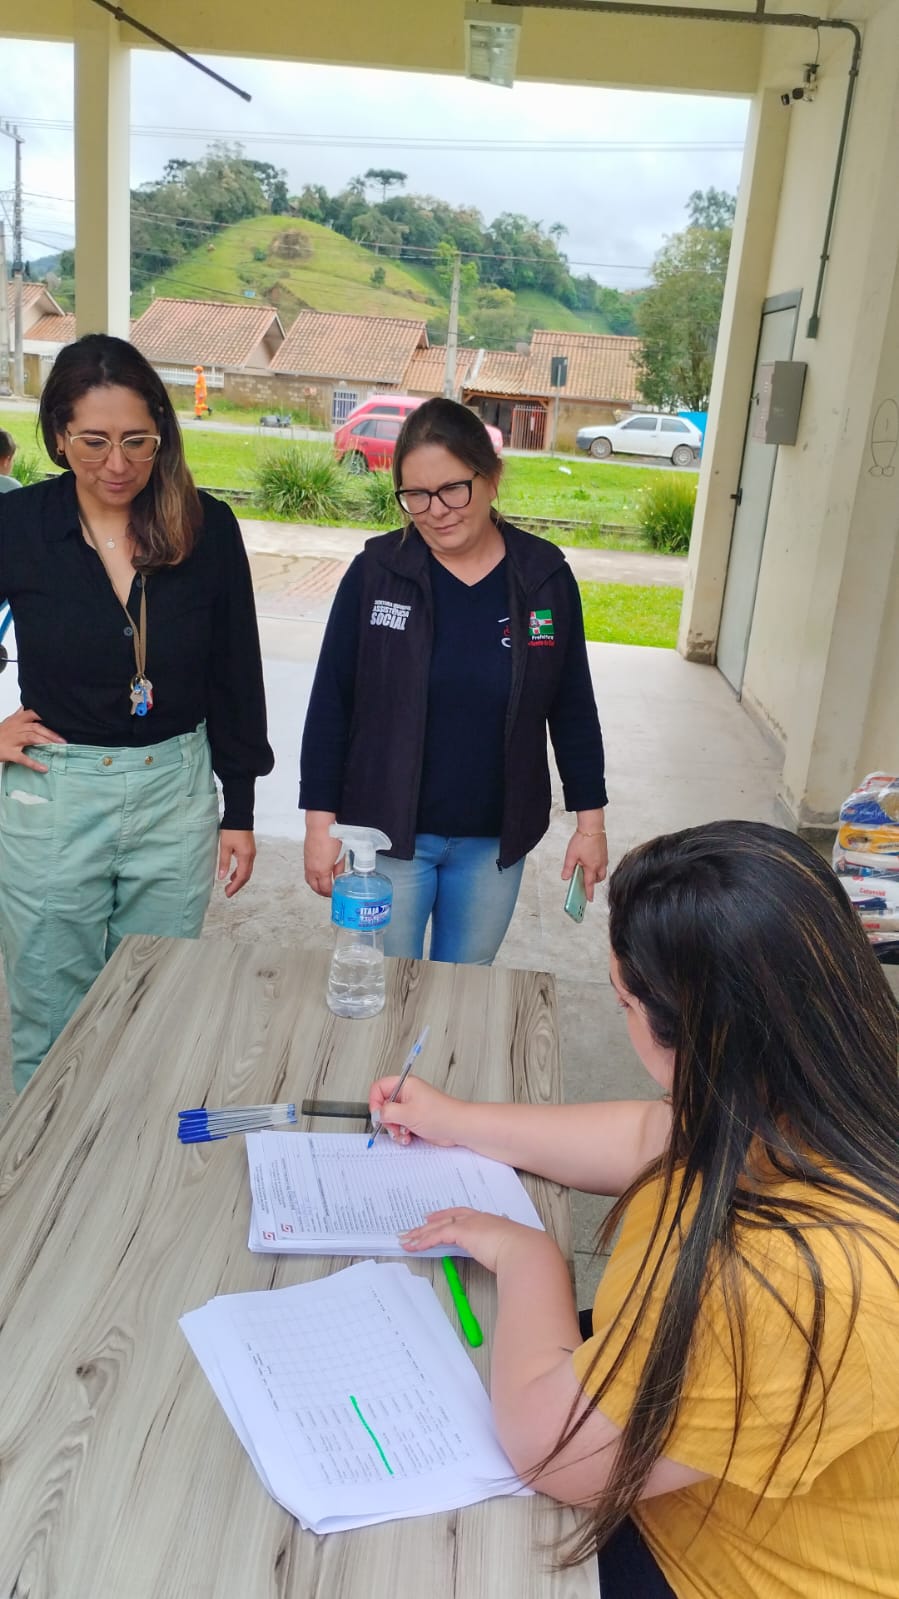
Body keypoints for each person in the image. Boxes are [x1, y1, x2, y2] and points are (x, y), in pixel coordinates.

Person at [370, 821, 899, 1598]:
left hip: (720, 1565)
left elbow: (551, 1448)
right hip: (680, 1469)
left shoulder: (795, 1277)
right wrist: (455, 1119)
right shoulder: (818, 1092)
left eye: (622, 999)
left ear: (701, 1036)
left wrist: (530, 1257)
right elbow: (648, 1134)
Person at [0, 333, 273, 1092]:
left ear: (162, 431)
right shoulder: (20, 527)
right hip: (55, 790)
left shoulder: (206, 525)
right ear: (58, 434)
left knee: (152, 1001)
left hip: (173, 790)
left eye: (135, 441)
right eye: (92, 441)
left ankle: (128, 1184)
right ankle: (44, 1189)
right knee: (51, 1013)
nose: (116, 465)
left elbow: (235, 671)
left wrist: (239, 807)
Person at [300, 397, 607, 965]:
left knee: (464, 990)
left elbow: (572, 707)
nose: (435, 509)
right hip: (388, 838)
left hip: (492, 843)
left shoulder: (543, 578)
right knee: (387, 985)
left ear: (491, 478)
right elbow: (331, 704)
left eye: (452, 489)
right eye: (415, 494)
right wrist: (321, 825)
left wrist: (591, 825)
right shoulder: (377, 574)